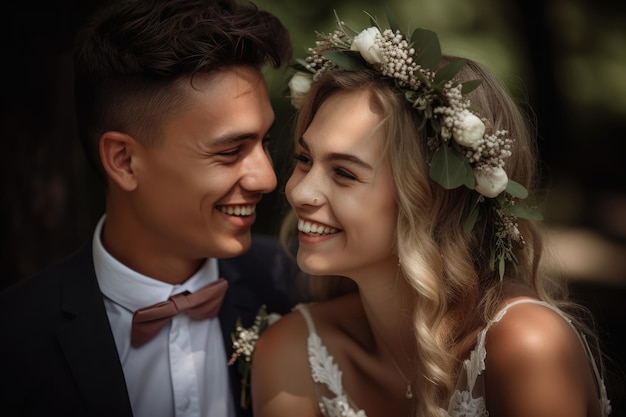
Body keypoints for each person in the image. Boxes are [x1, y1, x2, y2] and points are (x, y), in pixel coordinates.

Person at [251, 9, 612, 417]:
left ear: (432, 197)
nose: (299, 191)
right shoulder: (294, 349)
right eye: (303, 158)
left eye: (344, 173)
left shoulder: (527, 347)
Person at [0, 0, 299, 416]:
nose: (267, 179)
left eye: (264, 143)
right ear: (124, 161)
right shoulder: (14, 339)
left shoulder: (296, 290)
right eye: (231, 151)